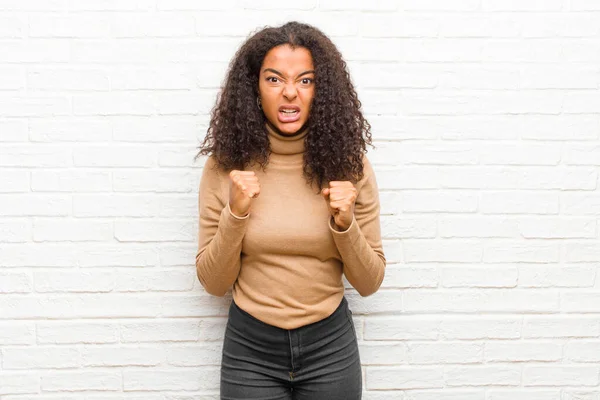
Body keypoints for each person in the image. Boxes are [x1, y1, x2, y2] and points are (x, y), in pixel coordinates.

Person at [194, 21, 386, 400]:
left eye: (305, 81)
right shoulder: (226, 166)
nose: (289, 94)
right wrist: (236, 213)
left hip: (329, 346)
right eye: (274, 79)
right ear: (254, 88)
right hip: (250, 349)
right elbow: (214, 284)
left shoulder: (350, 165)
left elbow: (370, 283)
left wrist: (345, 224)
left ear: (322, 90)